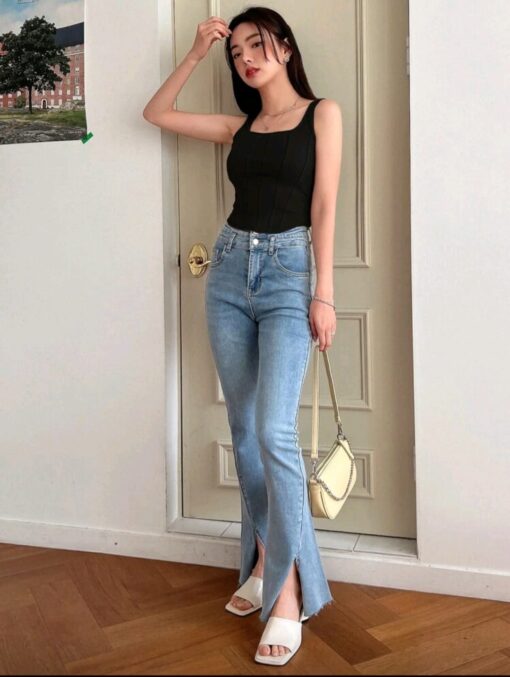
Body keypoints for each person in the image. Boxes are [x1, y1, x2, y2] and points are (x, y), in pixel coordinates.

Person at [143, 5, 342, 666]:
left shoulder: (323, 114)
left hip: (289, 277)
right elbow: (157, 113)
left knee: (273, 429)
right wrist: (198, 52)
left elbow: (324, 207)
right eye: (238, 53)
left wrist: (324, 292)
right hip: (228, 270)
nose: (247, 58)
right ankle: (264, 561)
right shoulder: (241, 127)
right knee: (244, 430)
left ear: (284, 46)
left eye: (257, 45)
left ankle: (285, 590)